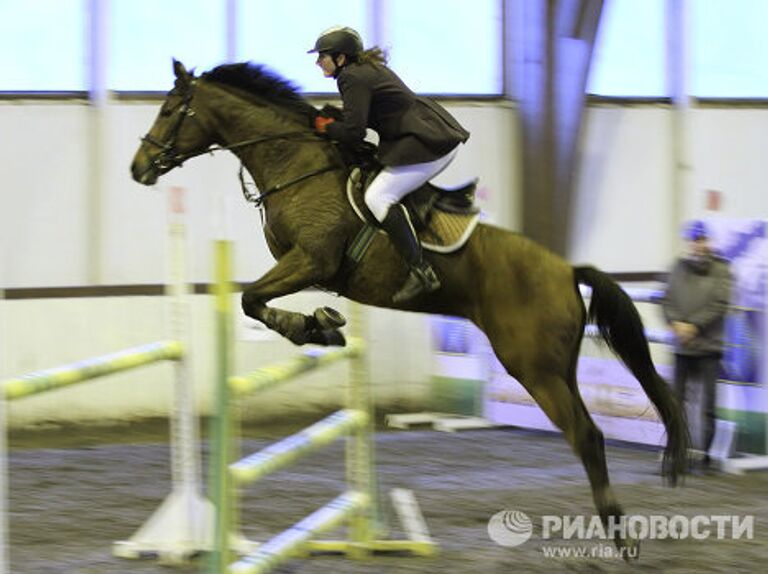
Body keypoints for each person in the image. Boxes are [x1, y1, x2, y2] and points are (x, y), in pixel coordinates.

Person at [308, 26, 470, 303]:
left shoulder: (350, 78)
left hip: (428, 142)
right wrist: (333, 121)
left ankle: (422, 271)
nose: (318, 62)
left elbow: (354, 133)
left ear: (341, 58)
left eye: (323, 56)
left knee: (378, 197)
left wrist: (324, 127)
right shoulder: (361, 70)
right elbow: (355, 120)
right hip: (426, 134)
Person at [661, 220, 732, 468]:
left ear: (708, 242)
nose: (698, 245)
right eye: (694, 240)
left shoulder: (722, 270)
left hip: (709, 348)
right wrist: (676, 323)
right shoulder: (676, 268)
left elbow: (719, 304)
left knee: (707, 407)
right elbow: (666, 300)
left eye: (701, 240)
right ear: (688, 243)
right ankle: (677, 452)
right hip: (682, 347)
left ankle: (706, 458)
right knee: (676, 405)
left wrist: (693, 326)